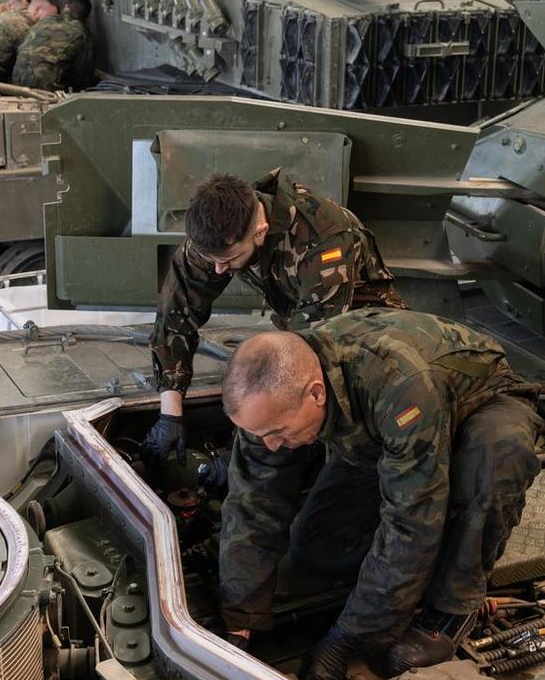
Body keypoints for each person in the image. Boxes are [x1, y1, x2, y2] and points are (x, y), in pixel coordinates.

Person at [218, 311, 542, 680]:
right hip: (382, 439)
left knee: (495, 458)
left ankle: (454, 606)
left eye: (278, 432)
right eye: (262, 434)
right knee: (315, 549)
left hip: (481, 404)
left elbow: (411, 523)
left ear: (315, 394)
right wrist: (241, 616)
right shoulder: (266, 404)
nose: (271, 444)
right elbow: (252, 502)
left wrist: (348, 636)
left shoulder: (398, 382)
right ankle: (415, 570)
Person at [146, 169, 403, 464]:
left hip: (369, 343)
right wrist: (170, 410)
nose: (218, 270)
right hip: (301, 322)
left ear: (260, 231)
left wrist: (243, 453)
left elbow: (306, 357)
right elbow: (175, 317)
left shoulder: (324, 239)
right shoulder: (218, 230)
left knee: (316, 449)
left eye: (228, 261)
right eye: (212, 261)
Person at [12, 0, 95, 91]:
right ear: (86, 19)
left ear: (66, 7)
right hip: (46, 91)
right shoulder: (82, 32)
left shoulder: (43, 22)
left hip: (17, 84)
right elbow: (82, 74)